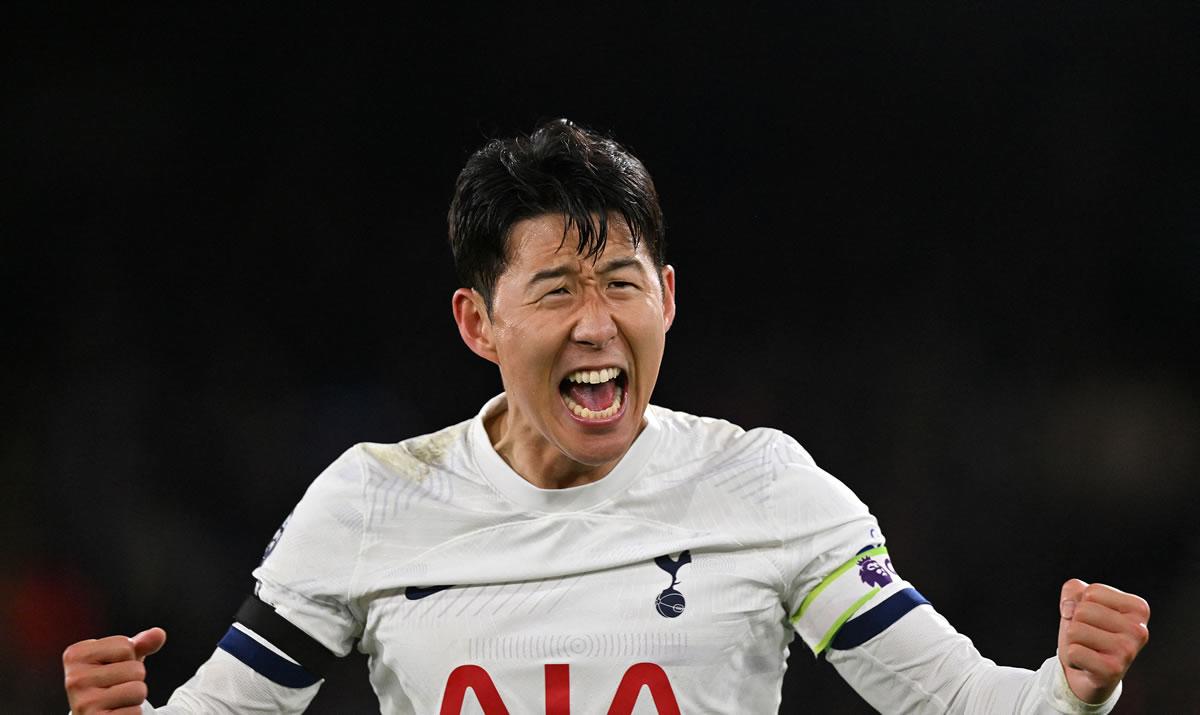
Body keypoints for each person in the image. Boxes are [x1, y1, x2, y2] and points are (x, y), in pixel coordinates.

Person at [63, 119, 1150, 714]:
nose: (596, 323)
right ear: (477, 322)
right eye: (555, 291)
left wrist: (1075, 688)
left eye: (621, 283)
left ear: (667, 299)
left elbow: (964, 706)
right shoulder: (372, 500)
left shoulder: (765, 489)